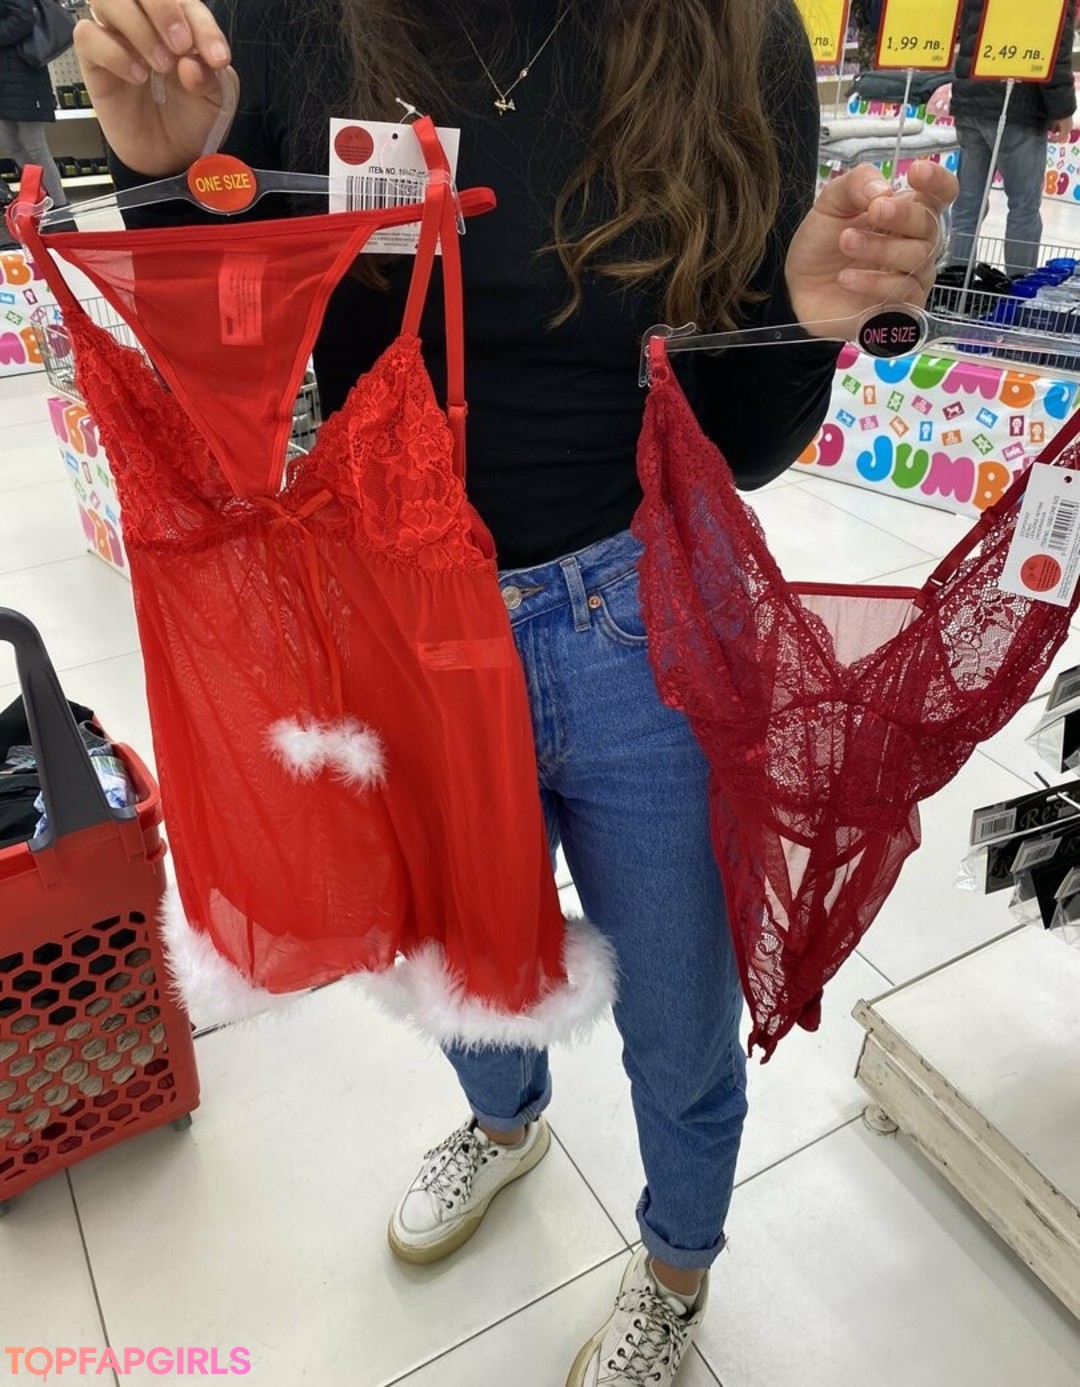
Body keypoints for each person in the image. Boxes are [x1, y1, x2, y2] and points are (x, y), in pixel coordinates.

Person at [72, 2, 954, 1382]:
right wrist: (175, 180)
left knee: (678, 1002)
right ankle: (502, 1123)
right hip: (401, 623)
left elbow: (735, 445)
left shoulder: (733, 37)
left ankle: (677, 1262)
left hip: (642, 624)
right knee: (451, 952)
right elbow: (227, 374)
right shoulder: (294, 23)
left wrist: (802, 319)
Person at [949, 0, 1076, 276]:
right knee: (1023, 207)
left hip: (971, 100)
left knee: (967, 204)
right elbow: (1055, 46)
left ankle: (955, 283)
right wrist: (1062, 109)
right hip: (1020, 106)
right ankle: (1019, 289)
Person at [0, 0, 70, 213]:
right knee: (12, 143)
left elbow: (24, 16)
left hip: (23, 76)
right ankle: (41, 201)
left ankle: (60, 211)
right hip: (6, 79)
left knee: (35, 147)